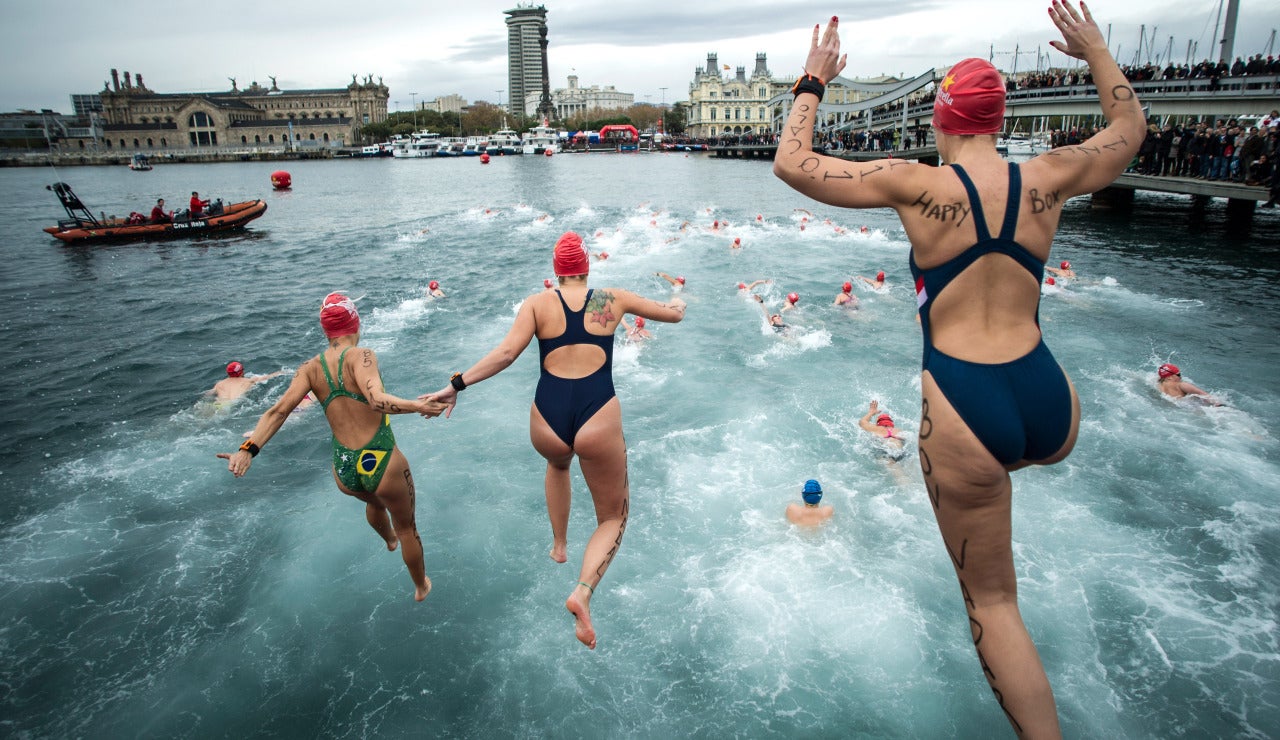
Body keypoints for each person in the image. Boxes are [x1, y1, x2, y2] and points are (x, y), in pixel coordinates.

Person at [772, 6, 1144, 736]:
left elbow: (793, 162)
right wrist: (1096, 48)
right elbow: (1129, 130)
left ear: (942, 120)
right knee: (1004, 550)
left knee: (995, 605)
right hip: (1047, 397)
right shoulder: (1050, 175)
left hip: (966, 408)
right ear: (998, 121)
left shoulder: (919, 185)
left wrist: (813, 80)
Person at [423, 232, 686, 649]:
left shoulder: (538, 303)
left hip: (547, 416)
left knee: (558, 463)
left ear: (556, 271)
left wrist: (456, 384)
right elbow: (672, 316)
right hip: (597, 412)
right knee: (612, 518)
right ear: (586, 268)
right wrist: (678, 302)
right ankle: (582, 592)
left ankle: (559, 544)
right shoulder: (611, 300)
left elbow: (506, 353)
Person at [217, 293, 448, 602]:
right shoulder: (361, 355)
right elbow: (377, 400)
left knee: (374, 502)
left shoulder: (310, 368)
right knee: (408, 528)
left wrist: (248, 449)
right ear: (356, 322)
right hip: (379, 459)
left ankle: (388, 541)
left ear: (325, 330)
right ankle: (421, 586)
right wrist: (418, 406)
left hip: (344, 467)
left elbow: (278, 412)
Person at [209, 361, 283, 402]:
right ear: (240, 372)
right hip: (232, 404)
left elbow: (208, 394)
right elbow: (267, 377)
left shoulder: (219, 384)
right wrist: (281, 372)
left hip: (218, 403)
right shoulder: (249, 381)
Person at [1156, 363, 1222, 404]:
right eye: (1178, 374)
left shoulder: (1158, 384)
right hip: (1192, 408)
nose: (1181, 377)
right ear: (1169, 377)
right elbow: (1206, 396)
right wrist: (1219, 404)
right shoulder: (1181, 385)